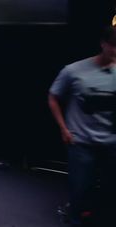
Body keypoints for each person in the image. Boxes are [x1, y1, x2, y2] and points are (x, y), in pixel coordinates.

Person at [48, 26, 116, 226]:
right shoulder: (74, 70)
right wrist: (64, 128)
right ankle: (74, 218)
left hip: (111, 142)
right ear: (103, 44)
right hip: (81, 141)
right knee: (79, 187)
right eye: (113, 46)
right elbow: (53, 97)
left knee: (110, 188)